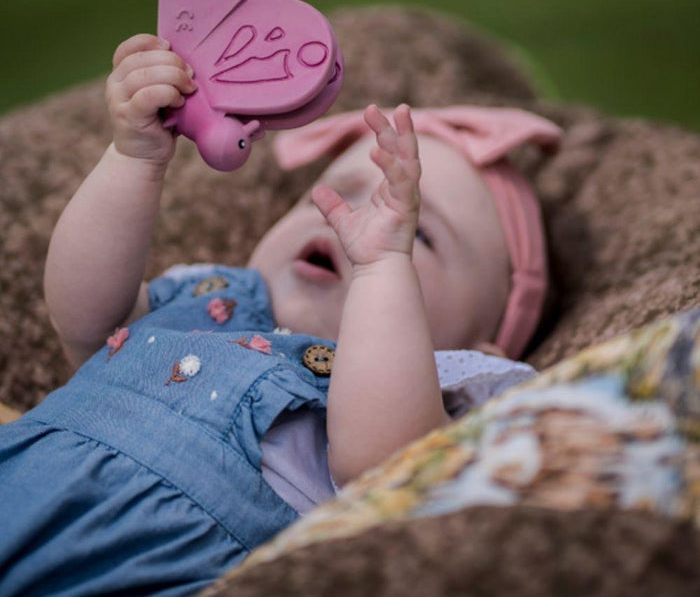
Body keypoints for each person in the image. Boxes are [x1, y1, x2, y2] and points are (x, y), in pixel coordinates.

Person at [0, 34, 561, 596]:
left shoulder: (426, 403)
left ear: (485, 349)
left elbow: (378, 466)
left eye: (416, 232)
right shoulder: (207, 297)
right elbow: (83, 319)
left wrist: (381, 268)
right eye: (336, 193)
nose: (356, 223)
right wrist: (133, 158)